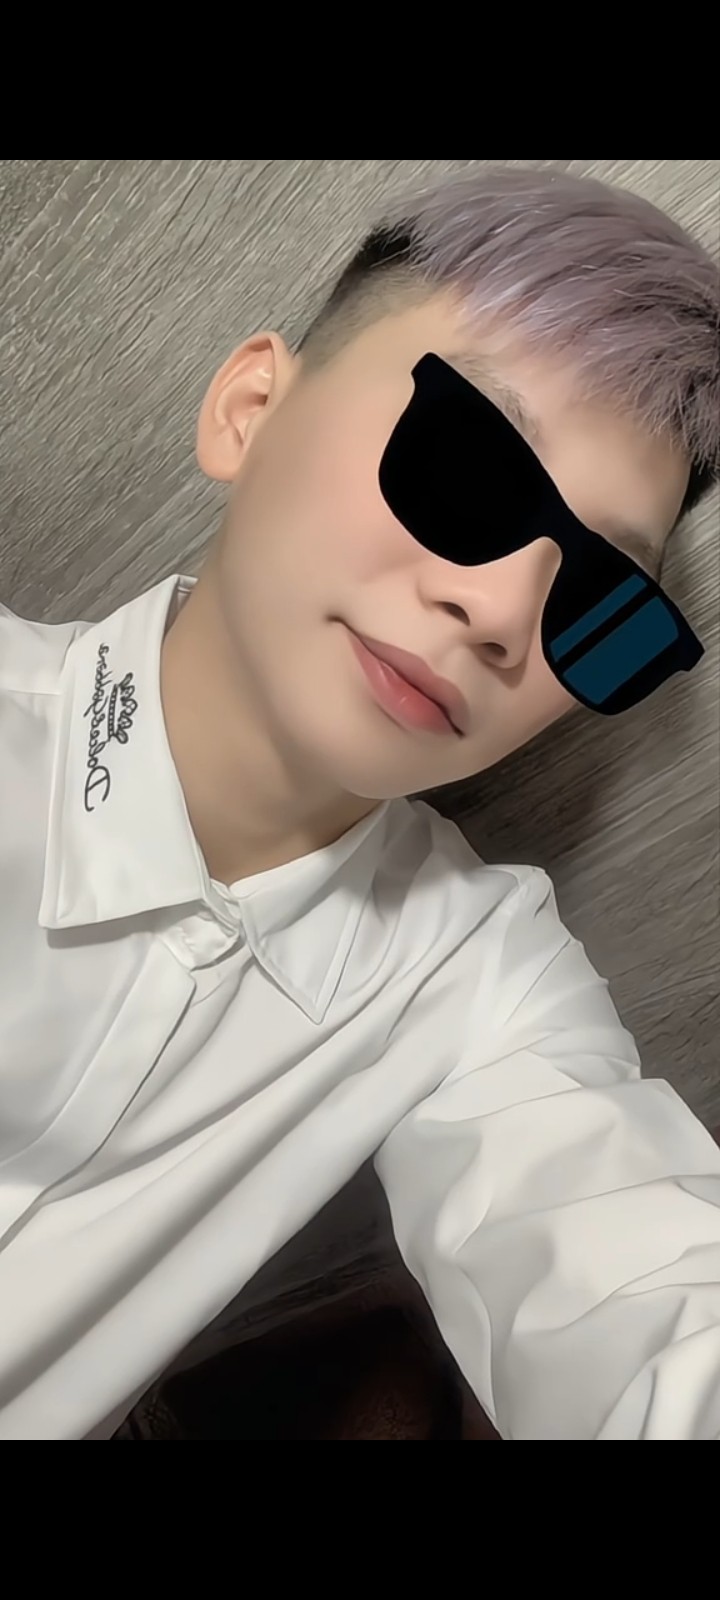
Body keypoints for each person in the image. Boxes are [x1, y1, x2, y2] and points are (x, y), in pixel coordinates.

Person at [1, 163, 718, 1441]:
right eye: (467, 464)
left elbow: (644, 1293)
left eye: (599, 600)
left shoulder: (479, 975)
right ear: (250, 410)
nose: (500, 610)